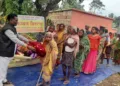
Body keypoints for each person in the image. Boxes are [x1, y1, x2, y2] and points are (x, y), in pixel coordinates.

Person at [0, 14, 34, 86]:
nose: (17, 21)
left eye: (17, 20)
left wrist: (28, 41)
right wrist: (27, 46)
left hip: (8, 51)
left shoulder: (12, 27)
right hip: (4, 51)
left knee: (4, 67)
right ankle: (0, 82)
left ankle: (3, 79)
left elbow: (18, 35)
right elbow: (15, 39)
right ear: (11, 20)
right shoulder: (7, 29)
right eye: (16, 20)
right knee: (2, 67)